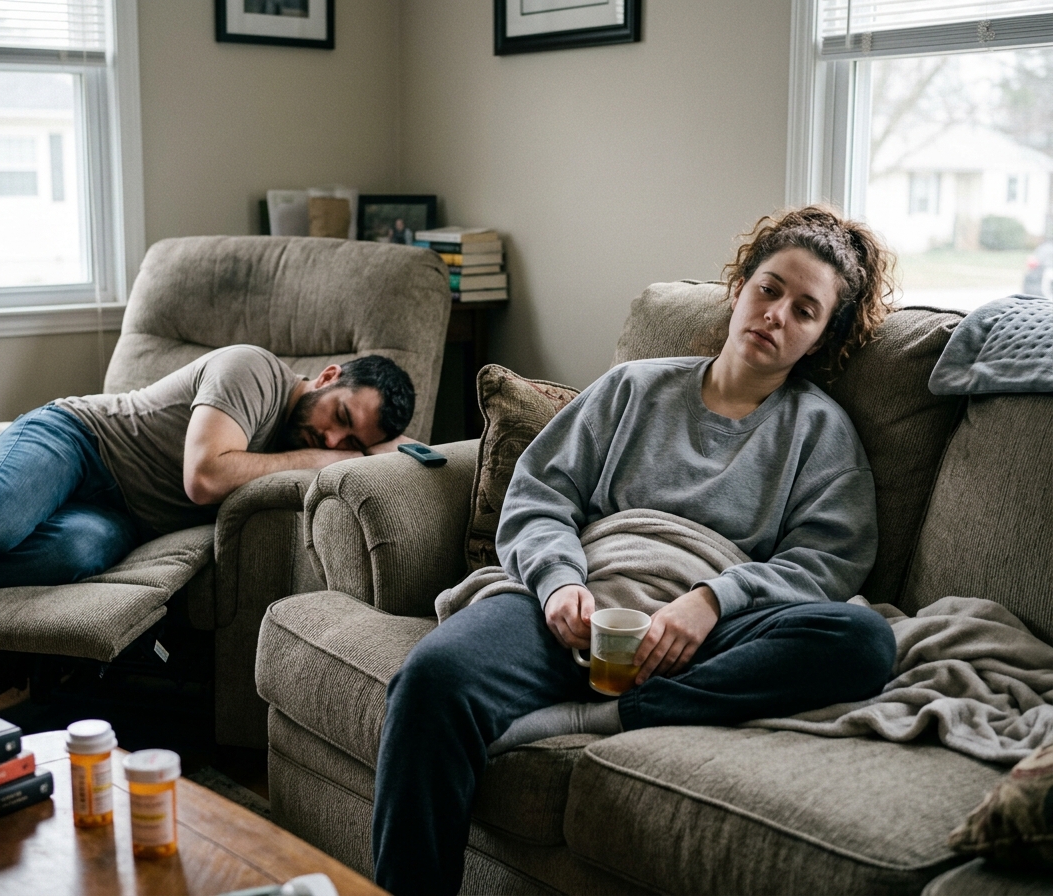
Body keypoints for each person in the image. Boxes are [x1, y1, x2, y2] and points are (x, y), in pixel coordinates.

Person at [370, 206, 900, 896]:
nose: (776, 315)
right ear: (740, 286)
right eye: (769, 289)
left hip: (710, 634)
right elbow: (540, 495)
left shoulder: (821, 432)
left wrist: (711, 601)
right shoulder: (633, 387)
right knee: (431, 678)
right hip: (585, 601)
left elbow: (828, 563)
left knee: (863, 640)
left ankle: (602, 717)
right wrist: (559, 581)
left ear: (821, 336)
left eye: (805, 310)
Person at [0, 348, 415, 592]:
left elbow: (413, 451)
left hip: (121, 517)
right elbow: (205, 479)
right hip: (78, 439)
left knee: (72, 555)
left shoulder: (333, 440)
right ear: (327, 377)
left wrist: (378, 451)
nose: (333, 440)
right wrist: (327, 458)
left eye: (352, 443)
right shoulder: (253, 370)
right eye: (340, 417)